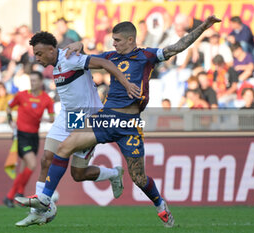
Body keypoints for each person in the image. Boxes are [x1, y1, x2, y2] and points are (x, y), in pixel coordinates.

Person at [16, 16, 221, 227]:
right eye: (112, 40)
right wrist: (78, 44)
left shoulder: (147, 56)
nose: (113, 44)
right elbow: (84, 59)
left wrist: (203, 27)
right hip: (105, 118)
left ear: (131, 40)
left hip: (129, 124)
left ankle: (160, 204)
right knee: (64, 146)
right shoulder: (111, 56)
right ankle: (45, 200)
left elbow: (176, 47)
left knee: (139, 178)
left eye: (117, 40)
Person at [14, 31, 139, 227]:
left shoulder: (72, 58)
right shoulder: (57, 62)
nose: (37, 58)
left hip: (88, 118)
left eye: (39, 53)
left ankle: (114, 174)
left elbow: (106, 64)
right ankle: (39, 210)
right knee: (46, 157)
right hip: (68, 116)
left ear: (50, 49)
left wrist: (127, 84)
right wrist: (79, 43)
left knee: (78, 174)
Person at [3, 71, 55, 208]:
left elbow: (52, 117)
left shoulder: (46, 99)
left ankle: (16, 194)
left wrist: (49, 118)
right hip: (22, 135)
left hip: (34, 137)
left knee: (25, 168)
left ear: (41, 82)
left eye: (35, 80)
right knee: (32, 164)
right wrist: (10, 122)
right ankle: (14, 195)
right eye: (31, 80)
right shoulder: (21, 95)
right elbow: (8, 107)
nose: (33, 83)